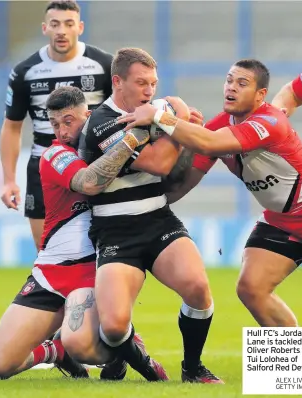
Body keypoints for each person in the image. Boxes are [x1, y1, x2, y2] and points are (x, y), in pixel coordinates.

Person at [119, 58, 302, 328]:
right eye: (229, 80)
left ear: (261, 95)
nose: (232, 87)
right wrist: (138, 205)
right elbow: (184, 182)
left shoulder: (270, 121)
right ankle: (294, 370)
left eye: (242, 83)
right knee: (252, 289)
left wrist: (160, 116)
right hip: (282, 220)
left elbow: (209, 142)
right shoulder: (218, 126)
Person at [0, 86, 166, 382]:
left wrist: (175, 121)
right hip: (50, 272)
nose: (60, 131)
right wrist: (135, 137)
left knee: (82, 346)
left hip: (94, 271)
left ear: (89, 115)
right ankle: (56, 351)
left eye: (68, 121)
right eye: (54, 124)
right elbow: (90, 182)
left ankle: (126, 350)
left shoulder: (110, 143)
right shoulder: (55, 154)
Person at [78, 47, 223, 384]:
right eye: (141, 82)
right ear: (117, 81)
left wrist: (181, 136)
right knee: (113, 327)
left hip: (158, 221)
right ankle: (131, 360)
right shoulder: (102, 122)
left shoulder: (156, 113)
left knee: (199, 289)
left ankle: (192, 368)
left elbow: (172, 173)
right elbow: (157, 163)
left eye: (153, 83)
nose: (149, 90)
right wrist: (180, 118)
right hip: (116, 233)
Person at [0, 0, 113, 250]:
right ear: (45, 28)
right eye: (55, 24)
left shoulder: (104, 65)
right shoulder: (25, 71)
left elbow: (120, 114)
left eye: (68, 23)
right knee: (46, 252)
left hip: (92, 165)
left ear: (80, 27)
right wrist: (9, 180)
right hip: (44, 167)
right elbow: (11, 126)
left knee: (101, 251)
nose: (61, 30)